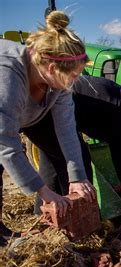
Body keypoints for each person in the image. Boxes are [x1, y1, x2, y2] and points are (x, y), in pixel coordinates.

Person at [0, 11, 96, 246]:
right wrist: (44, 192)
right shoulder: (8, 74)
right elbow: (5, 140)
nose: (75, 81)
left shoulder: (59, 85)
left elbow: (66, 127)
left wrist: (77, 177)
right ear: (52, 69)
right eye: (73, 76)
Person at [35, 76, 121, 235]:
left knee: (54, 163)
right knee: (78, 168)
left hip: (47, 108)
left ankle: (43, 218)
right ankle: (75, 228)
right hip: (48, 110)